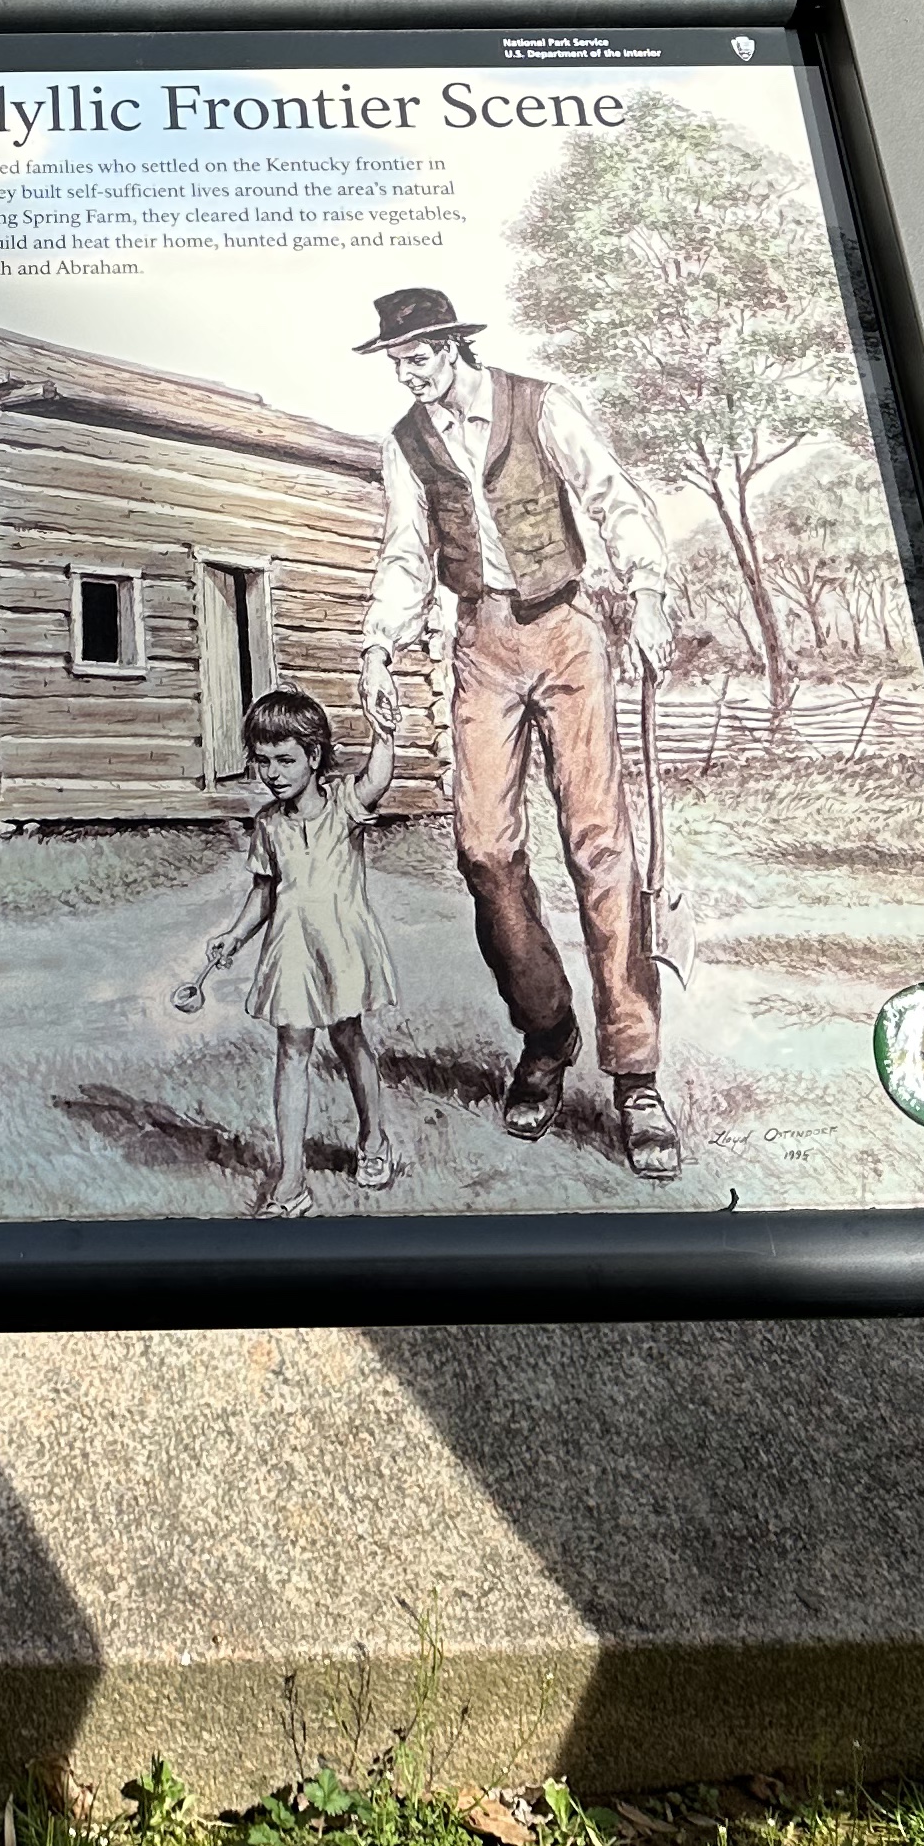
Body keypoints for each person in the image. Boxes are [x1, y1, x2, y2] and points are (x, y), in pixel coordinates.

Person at [350, 282, 684, 1182]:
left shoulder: (542, 406)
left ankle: (637, 1072)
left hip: (569, 630)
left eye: (419, 355)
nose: (408, 373)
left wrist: (649, 593)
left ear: (454, 346)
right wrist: (378, 644)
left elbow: (615, 498)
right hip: (480, 642)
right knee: (485, 851)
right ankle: (547, 1028)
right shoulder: (407, 445)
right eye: (396, 360)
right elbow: (405, 554)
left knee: (600, 847)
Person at [172, 683, 401, 1216]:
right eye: (262, 762)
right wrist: (235, 935)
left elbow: (379, 777)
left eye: (284, 760)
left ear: (314, 757)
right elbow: (265, 892)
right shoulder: (268, 825)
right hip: (292, 950)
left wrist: (384, 730)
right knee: (292, 1051)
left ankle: (373, 1140)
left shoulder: (344, 802)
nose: (271, 773)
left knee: (348, 1038)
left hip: (340, 946)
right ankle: (291, 1180)